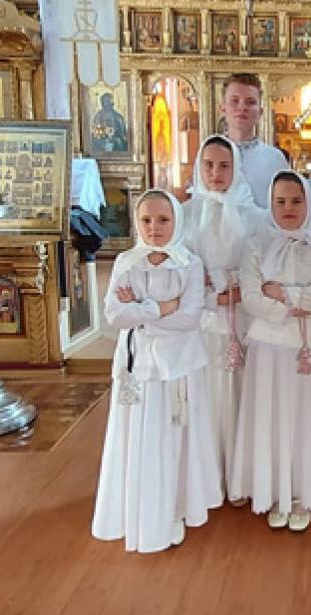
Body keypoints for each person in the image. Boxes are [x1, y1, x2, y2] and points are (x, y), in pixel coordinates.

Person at [92, 190, 221, 553]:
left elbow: (189, 318)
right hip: (139, 367)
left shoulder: (189, 264)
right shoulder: (126, 262)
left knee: (174, 438)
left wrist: (142, 311)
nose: (154, 228)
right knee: (140, 437)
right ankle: (140, 505)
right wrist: (162, 307)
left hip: (179, 367)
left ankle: (176, 507)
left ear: (177, 221)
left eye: (163, 220)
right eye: (146, 220)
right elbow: (115, 315)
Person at [230, 172, 311, 531]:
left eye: (296, 201)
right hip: (269, 345)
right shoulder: (257, 245)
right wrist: (294, 305)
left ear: (308, 203)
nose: (288, 208)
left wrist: (284, 293)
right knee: (273, 418)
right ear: (270, 204)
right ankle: (272, 490)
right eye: (280, 201)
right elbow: (251, 296)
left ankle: (301, 493)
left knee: (304, 418)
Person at [181, 134, 264, 500]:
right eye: (209, 165)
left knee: (242, 393)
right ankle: (208, 476)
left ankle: (241, 475)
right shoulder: (185, 214)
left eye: (224, 165)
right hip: (203, 317)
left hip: (244, 315)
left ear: (236, 169)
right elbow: (180, 268)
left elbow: (262, 262)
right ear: (199, 167)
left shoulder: (255, 216)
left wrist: (242, 289)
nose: (216, 172)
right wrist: (209, 293)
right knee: (209, 395)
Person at [211, 73, 289, 208]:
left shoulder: (275, 159)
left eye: (250, 102)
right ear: (222, 108)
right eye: (235, 101)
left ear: (260, 112)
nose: (242, 108)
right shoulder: (208, 156)